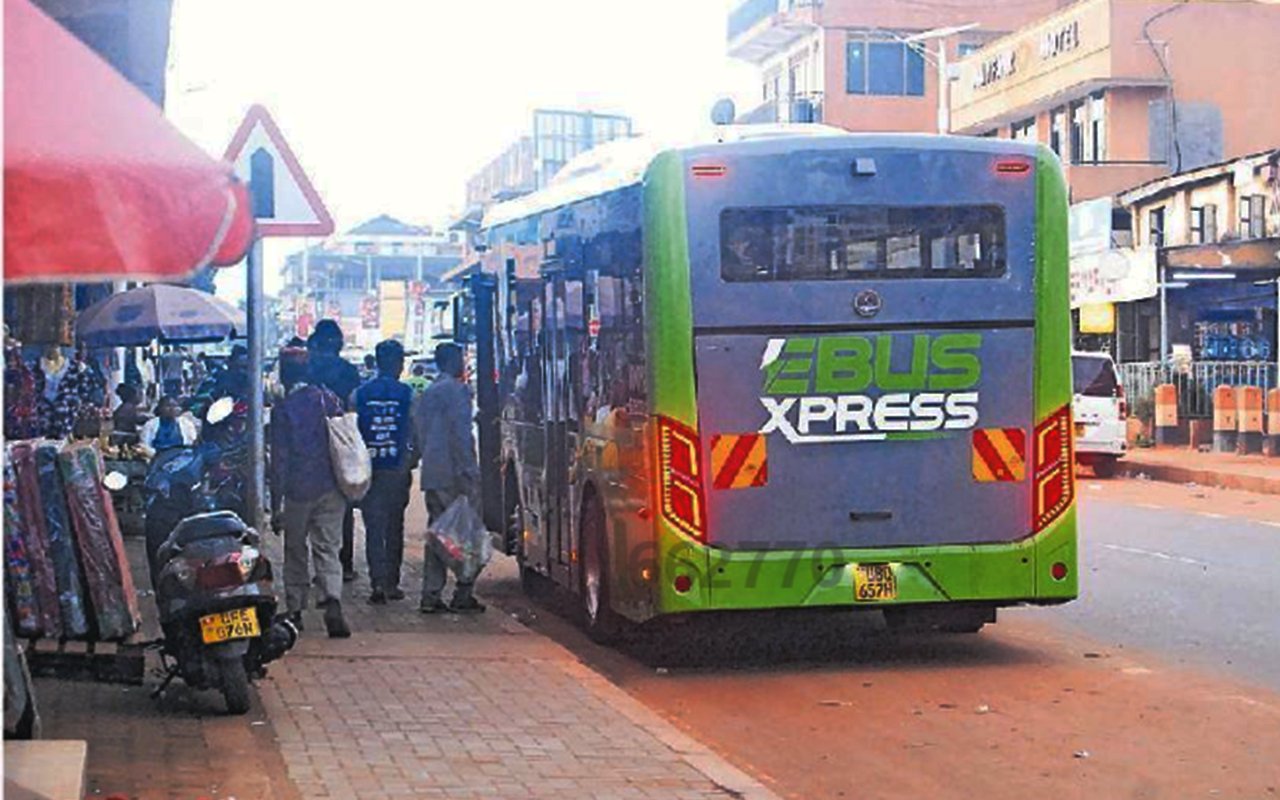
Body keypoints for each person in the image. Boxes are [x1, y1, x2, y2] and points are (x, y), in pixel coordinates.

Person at [269, 347, 351, 638]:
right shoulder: (329, 400)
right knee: (328, 547)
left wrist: (275, 503)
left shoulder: (284, 410)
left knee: (295, 550)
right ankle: (332, 599)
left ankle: (295, 609)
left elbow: (279, 460)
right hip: (331, 486)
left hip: (297, 489)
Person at [413, 342, 484, 613]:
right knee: (467, 533)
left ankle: (431, 593)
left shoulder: (428, 392)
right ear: (454, 361)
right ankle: (463, 590)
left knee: (438, 535)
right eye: (462, 358)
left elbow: (419, 431)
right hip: (455, 474)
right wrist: (469, 473)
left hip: (432, 472)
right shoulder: (458, 391)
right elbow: (461, 436)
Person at [353, 340, 415, 604]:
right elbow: (414, 431)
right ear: (397, 363)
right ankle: (392, 583)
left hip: (370, 471)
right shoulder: (407, 393)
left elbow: (352, 435)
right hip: (397, 469)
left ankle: (377, 583)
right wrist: (411, 460)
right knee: (394, 527)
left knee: (374, 528)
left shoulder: (359, 394)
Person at [307, 320, 362, 582]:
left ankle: (323, 566)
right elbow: (354, 408)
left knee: (316, 508)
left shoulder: (309, 368)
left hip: (313, 443)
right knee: (344, 505)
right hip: (342, 441)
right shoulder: (349, 371)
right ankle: (345, 563)